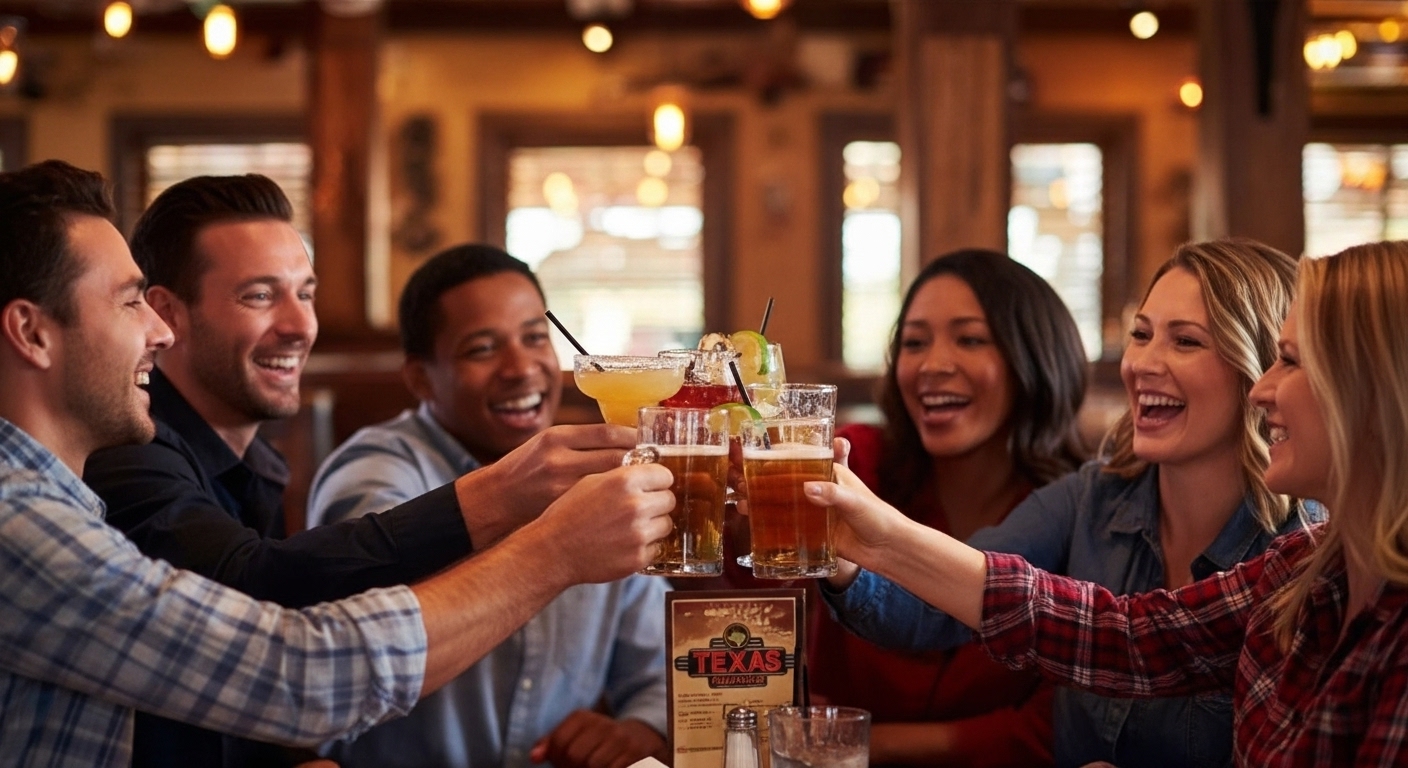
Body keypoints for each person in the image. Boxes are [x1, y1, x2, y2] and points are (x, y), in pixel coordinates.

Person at [0, 161, 673, 768]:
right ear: (31, 332)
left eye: (307, 292)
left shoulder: (136, 485)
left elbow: (220, 687)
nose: (157, 330)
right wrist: (548, 545)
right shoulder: (26, 516)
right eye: (129, 302)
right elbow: (292, 666)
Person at [810, 239, 1408, 766]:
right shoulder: (1303, 567)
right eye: (1141, 335)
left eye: (1186, 341)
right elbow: (1118, 637)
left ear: (1370, 393)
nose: (1142, 363)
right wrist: (861, 542)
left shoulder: (1313, 555)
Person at [307, 244, 669, 768]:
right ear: (421, 379)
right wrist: (553, 551)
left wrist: (639, 727)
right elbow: (365, 643)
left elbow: (660, 664)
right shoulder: (375, 472)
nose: (521, 368)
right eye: (482, 349)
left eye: (534, 338)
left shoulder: (596, 476)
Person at [809, 249, 1088, 767]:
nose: (933, 365)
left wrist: (860, 745)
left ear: (1034, 357)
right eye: (914, 343)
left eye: (970, 339)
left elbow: (1052, 729)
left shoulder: (1080, 513)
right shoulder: (855, 464)